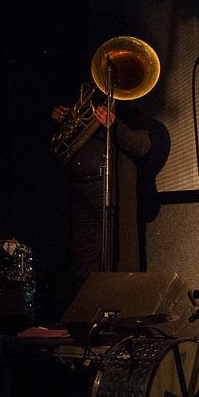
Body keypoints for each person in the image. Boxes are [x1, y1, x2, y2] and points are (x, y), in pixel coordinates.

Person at [51, 95, 150, 294]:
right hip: (79, 190)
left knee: (119, 258)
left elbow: (141, 146)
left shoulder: (129, 110)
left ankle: (121, 315)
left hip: (113, 190)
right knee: (83, 261)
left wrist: (114, 125)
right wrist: (65, 121)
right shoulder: (86, 103)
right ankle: (88, 317)